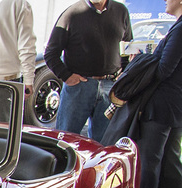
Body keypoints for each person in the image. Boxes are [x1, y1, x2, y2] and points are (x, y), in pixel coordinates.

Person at [44, 0, 132, 141]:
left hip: (111, 87)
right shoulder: (71, 14)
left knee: (104, 145)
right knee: (65, 141)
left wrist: (124, 75)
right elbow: (50, 53)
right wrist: (66, 76)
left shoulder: (121, 11)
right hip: (79, 88)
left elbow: (127, 49)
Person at [133, 0, 182, 188]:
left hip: (162, 106)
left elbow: (164, 69)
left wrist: (142, 60)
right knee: (171, 162)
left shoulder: (180, 29)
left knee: (149, 161)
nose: (165, 0)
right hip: (176, 106)